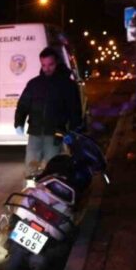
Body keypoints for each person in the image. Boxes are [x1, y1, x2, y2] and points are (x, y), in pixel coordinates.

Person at [14, 47, 83, 177]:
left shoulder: (67, 85)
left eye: (50, 64)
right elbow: (23, 105)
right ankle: (31, 193)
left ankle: (50, 195)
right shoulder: (34, 84)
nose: (47, 68)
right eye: (44, 65)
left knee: (52, 170)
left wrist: (74, 132)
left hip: (55, 136)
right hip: (35, 134)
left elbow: (75, 111)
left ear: (57, 63)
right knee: (31, 170)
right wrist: (19, 123)